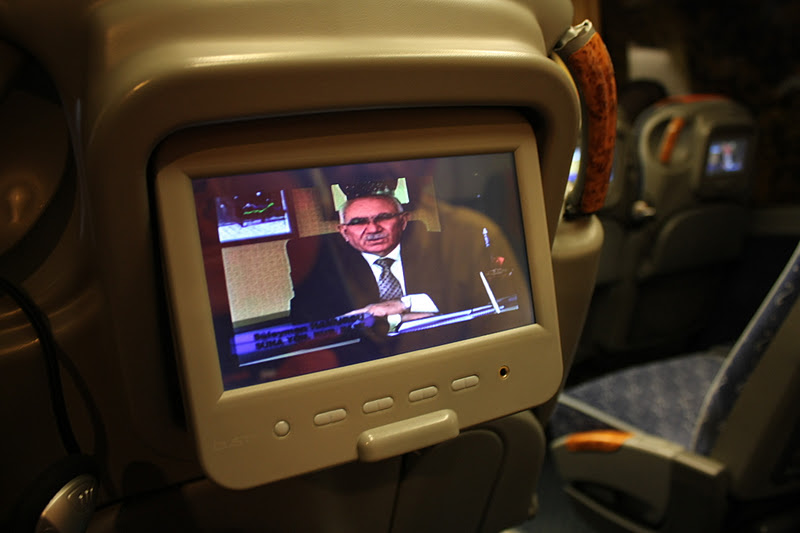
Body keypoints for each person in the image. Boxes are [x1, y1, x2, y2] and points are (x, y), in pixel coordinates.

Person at [288, 193, 504, 327]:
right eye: (359, 222)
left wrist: (405, 304)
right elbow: (310, 329)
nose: (373, 229)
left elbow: (480, 306)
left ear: (403, 222)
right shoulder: (320, 272)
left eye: (383, 218)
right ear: (344, 231)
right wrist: (372, 317)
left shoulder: (445, 251)